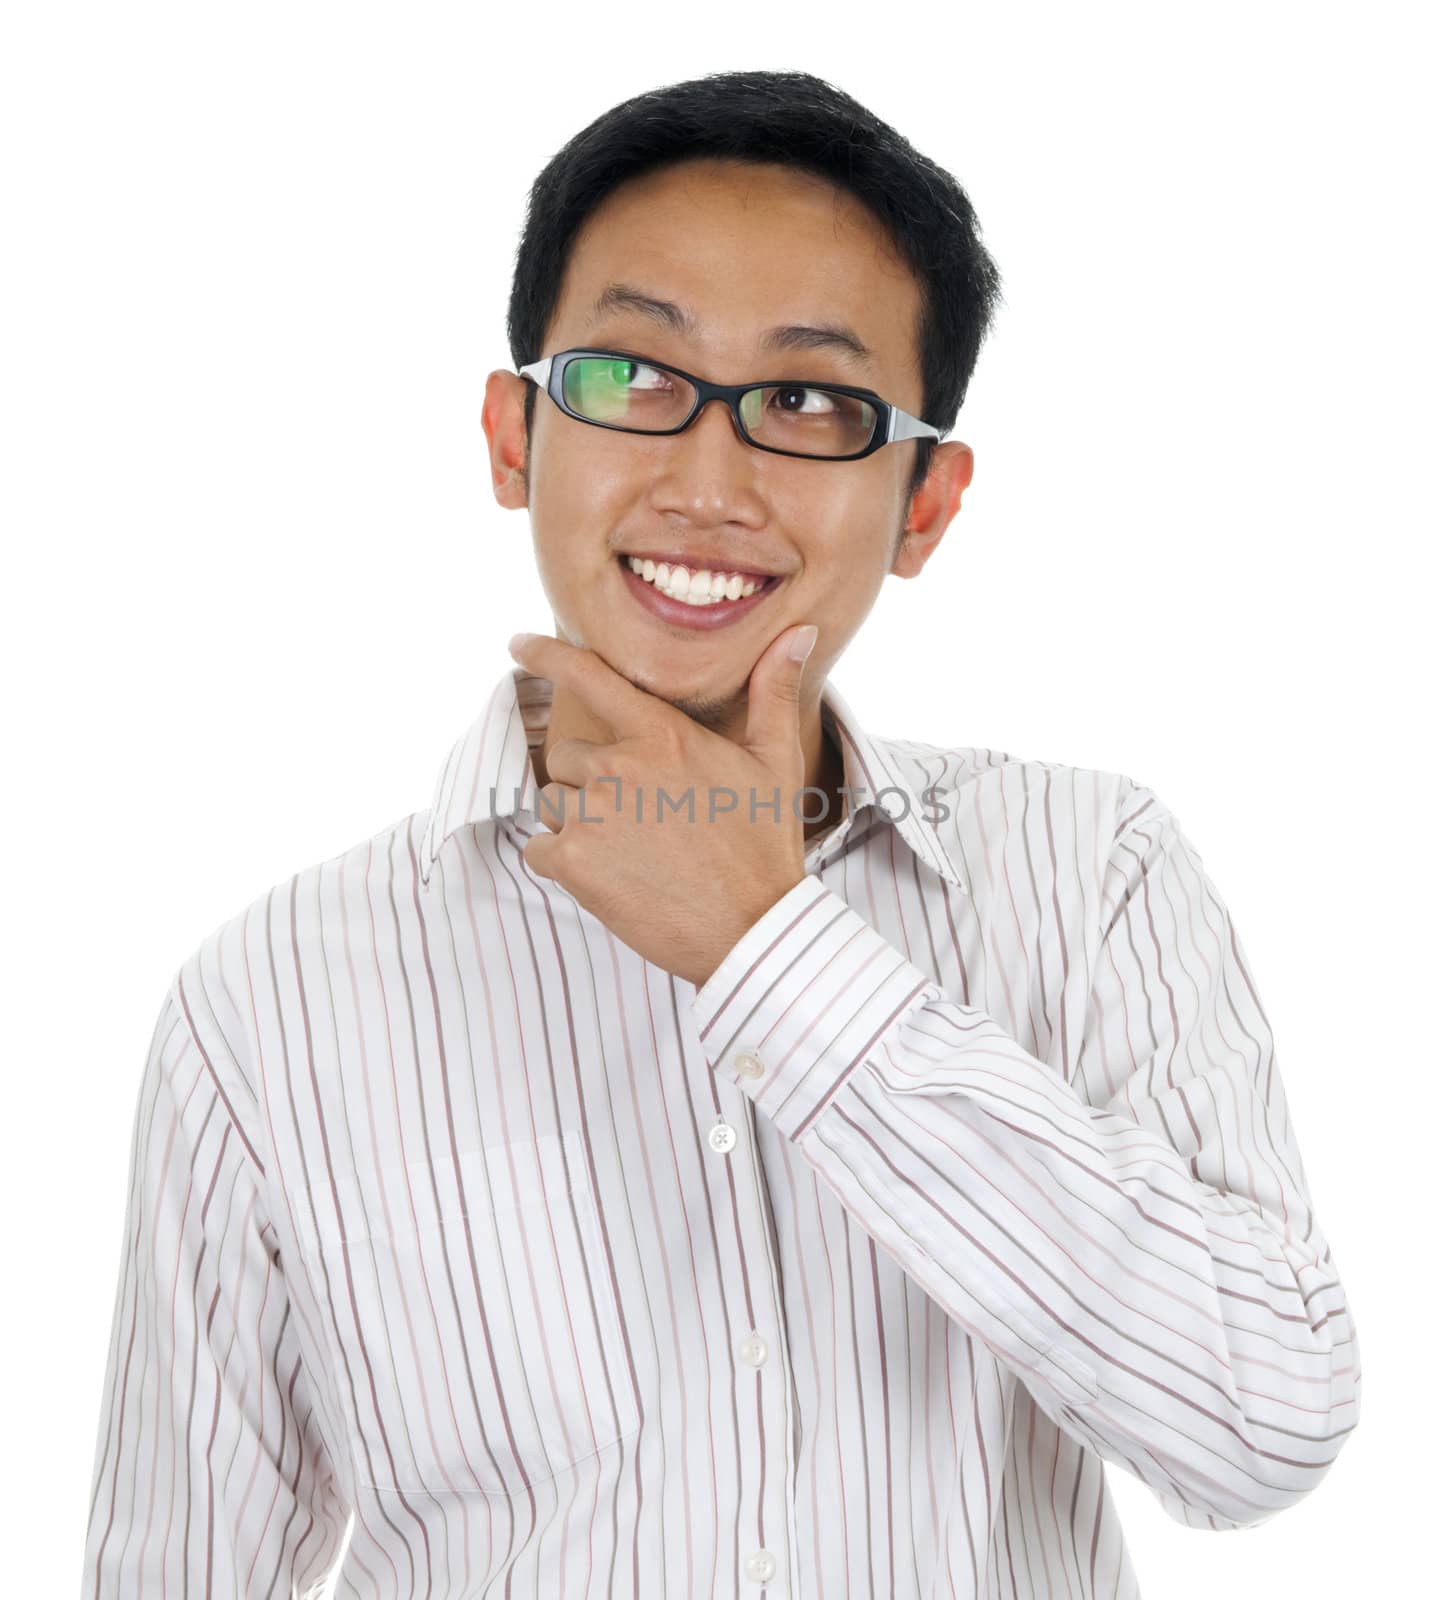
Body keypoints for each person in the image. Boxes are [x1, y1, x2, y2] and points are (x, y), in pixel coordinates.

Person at [82, 68, 1360, 1599]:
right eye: (632, 378)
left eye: (810, 402)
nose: (707, 480)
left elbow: (1261, 1428)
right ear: (512, 439)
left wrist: (775, 952)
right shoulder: (266, 999)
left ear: (926, 505)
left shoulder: (1094, 874)